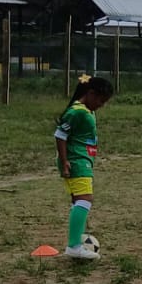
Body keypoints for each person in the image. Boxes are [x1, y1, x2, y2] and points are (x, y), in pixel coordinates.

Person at [55, 74, 114, 259]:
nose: (101, 105)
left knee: (78, 200)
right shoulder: (77, 112)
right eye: (101, 100)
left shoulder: (87, 110)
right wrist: (65, 161)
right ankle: (73, 246)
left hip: (83, 160)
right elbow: (60, 135)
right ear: (90, 93)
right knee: (85, 199)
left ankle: (77, 239)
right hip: (76, 161)